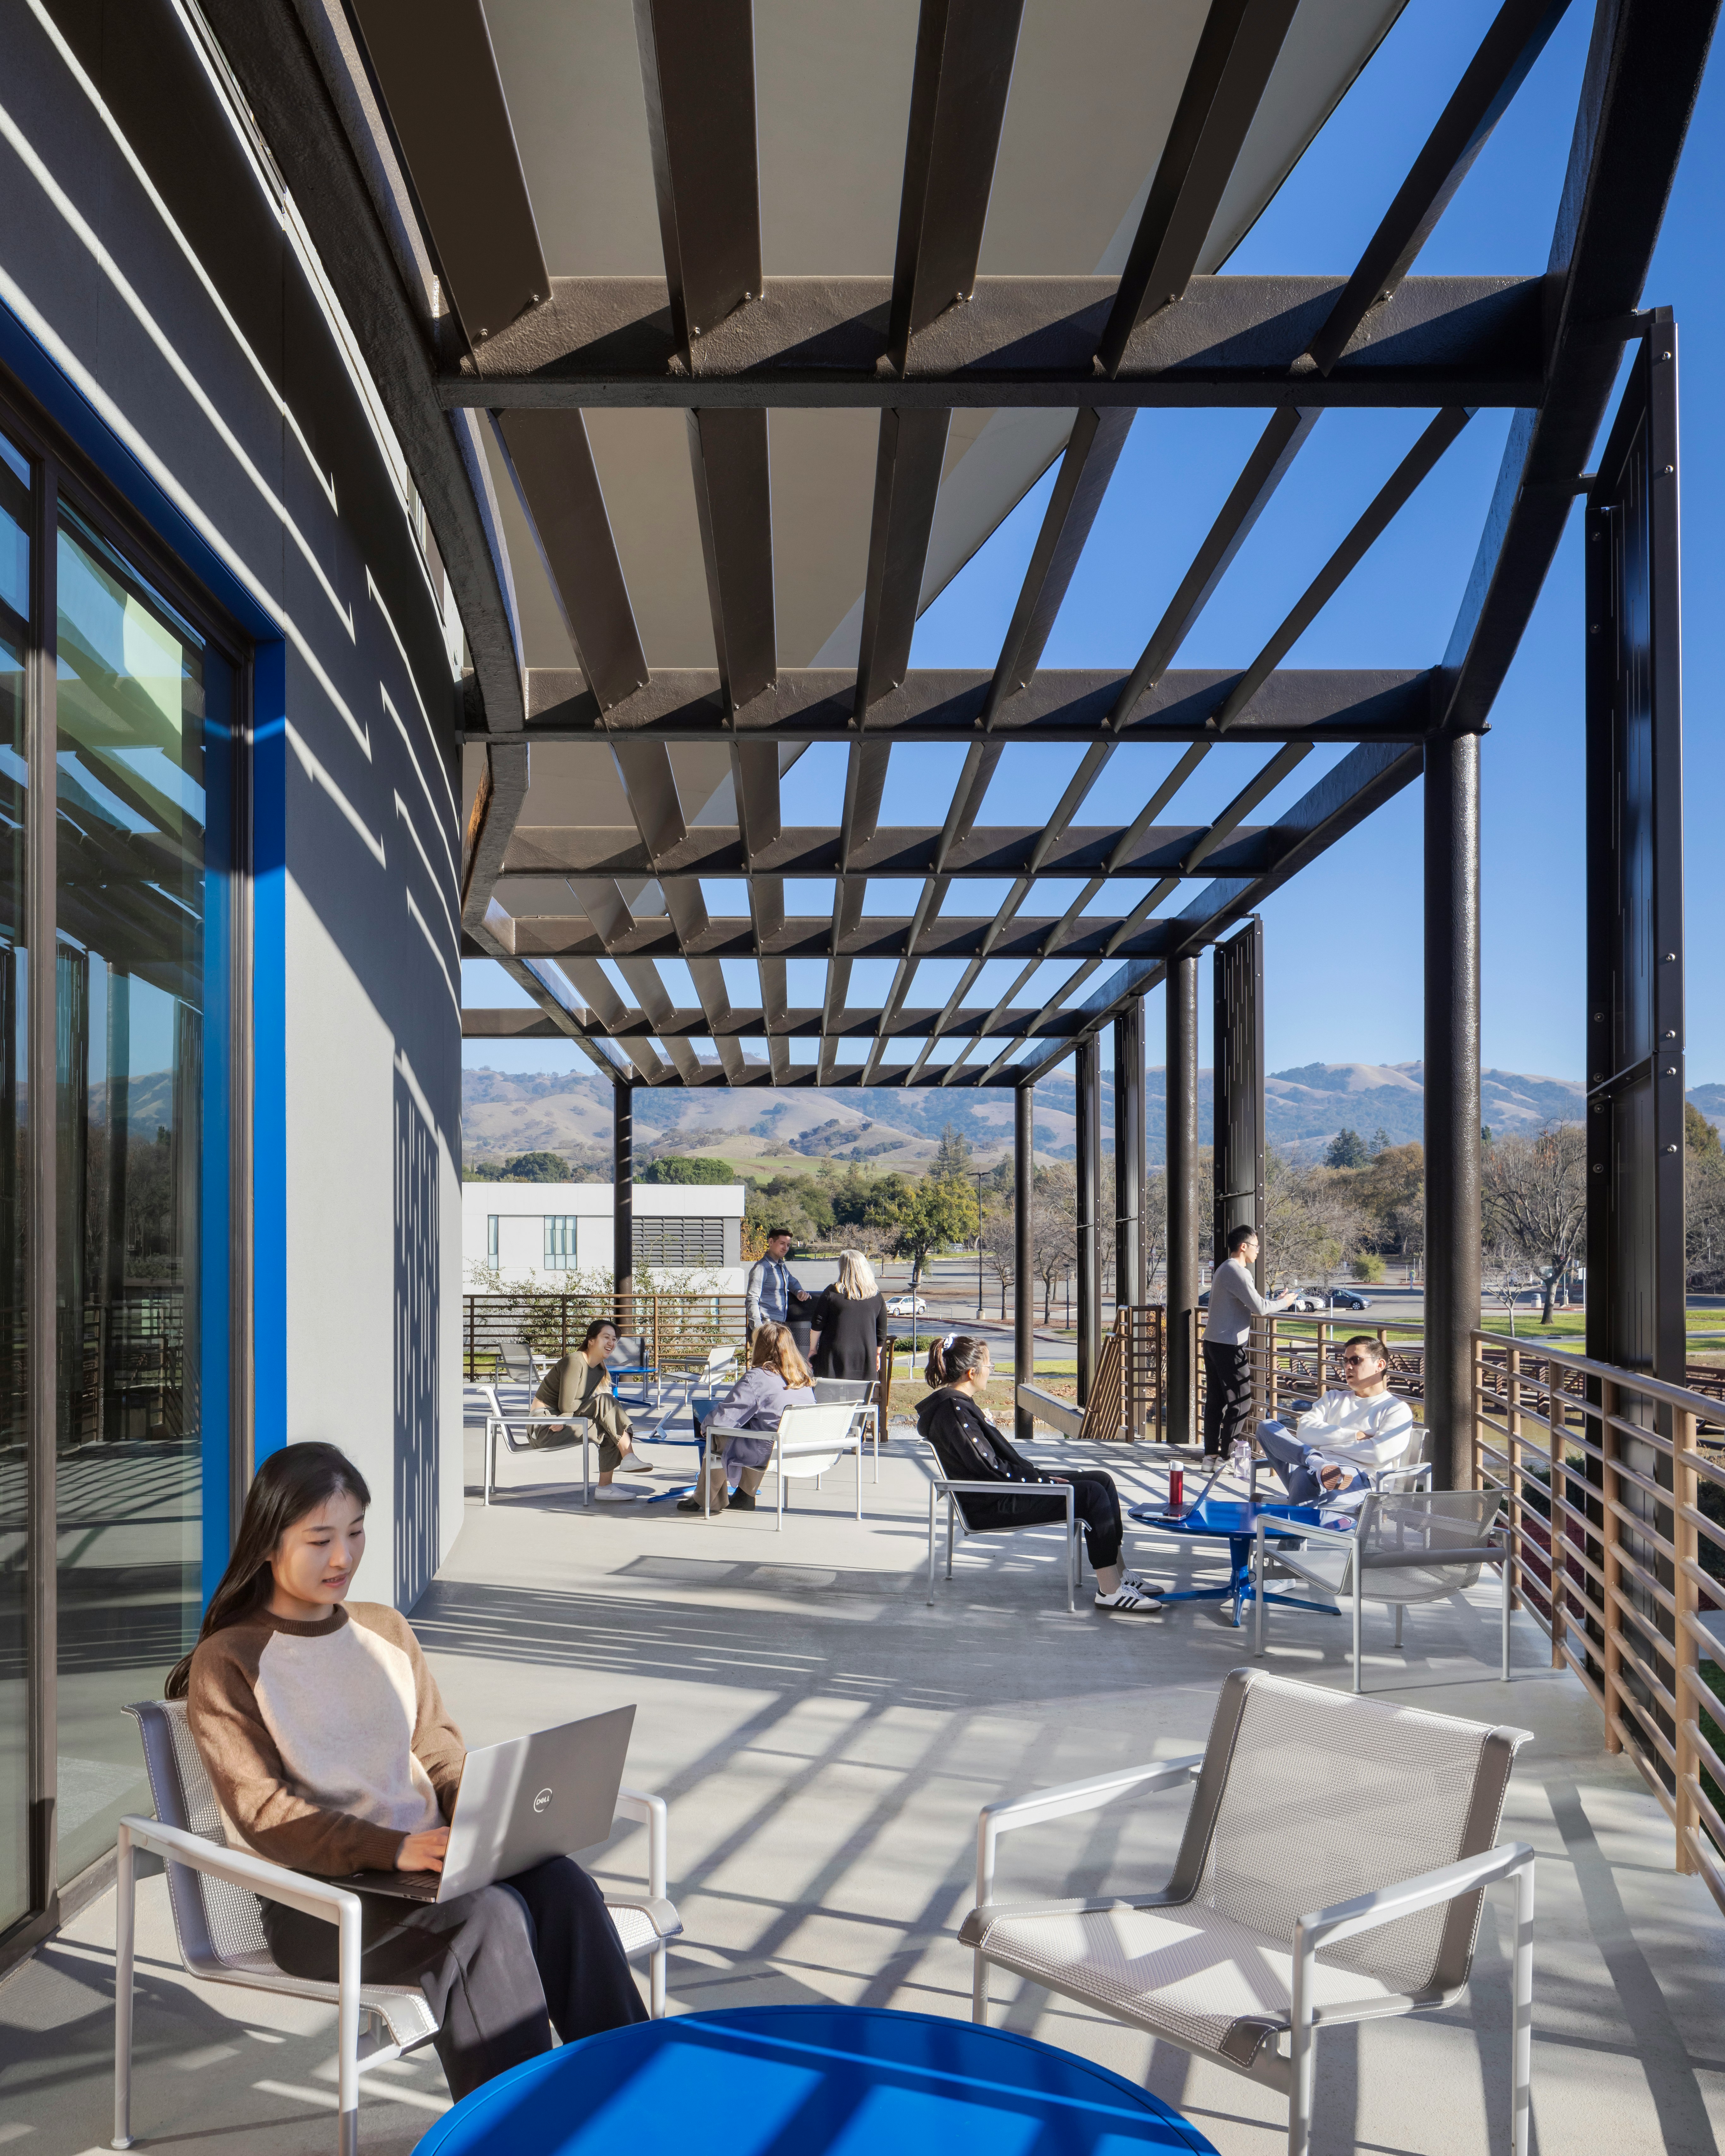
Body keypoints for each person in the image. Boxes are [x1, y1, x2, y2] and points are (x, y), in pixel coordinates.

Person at [170, 1443, 645, 2104]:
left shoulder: (385, 1630)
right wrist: (392, 1847)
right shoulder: (230, 1661)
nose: (343, 1557)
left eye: (356, 1532)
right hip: (320, 1904)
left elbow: (437, 1751)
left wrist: (485, 1809)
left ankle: (634, 2095)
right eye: (320, 1540)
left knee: (560, 1884)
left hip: (427, 1871)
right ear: (270, 1543)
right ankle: (519, 2130)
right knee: (486, 1918)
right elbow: (264, 1812)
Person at [915, 1336, 1162, 1615]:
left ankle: (1120, 1574)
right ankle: (1110, 1591)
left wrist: (1040, 1477)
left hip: (1003, 1491)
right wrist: (1042, 1480)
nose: (991, 1371)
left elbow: (989, 1465)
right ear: (972, 1373)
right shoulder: (954, 1410)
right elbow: (989, 1468)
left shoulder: (956, 1405)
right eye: (989, 1365)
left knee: (1101, 1479)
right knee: (1091, 1494)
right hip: (993, 1504)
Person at [1256, 1335, 1414, 1508]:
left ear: (1380, 1365)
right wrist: (1355, 1436)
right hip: (1312, 1466)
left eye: (1355, 1360)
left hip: (1358, 1482)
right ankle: (1317, 1463)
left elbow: (1378, 1453)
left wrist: (1323, 1446)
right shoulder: (1333, 1398)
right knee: (1267, 1427)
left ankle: (1316, 1466)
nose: (1348, 1367)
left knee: (1305, 1475)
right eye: (1345, 1361)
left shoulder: (1395, 1409)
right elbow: (1304, 1432)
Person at [678, 1320, 815, 1514]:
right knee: (757, 1428)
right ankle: (745, 1495)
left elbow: (723, 1419)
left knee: (718, 1435)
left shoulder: (757, 1377)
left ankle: (705, 1499)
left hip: (769, 1451)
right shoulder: (801, 1377)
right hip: (799, 1448)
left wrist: (705, 1425)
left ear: (761, 1347)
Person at [529, 1319, 654, 1503]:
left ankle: (605, 1488)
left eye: (614, 1339)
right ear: (591, 1341)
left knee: (611, 1429)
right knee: (606, 1401)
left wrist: (569, 1416)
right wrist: (567, 1415)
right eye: (606, 1337)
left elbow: (577, 1407)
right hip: (544, 1426)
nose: (611, 1342)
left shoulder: (599, 1370)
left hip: (565, 1421)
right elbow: (567, 1406)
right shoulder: (575, 1361)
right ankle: (629, 1457)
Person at [1202, 1224, 1298, 1458]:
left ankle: (1211, 1457)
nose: (1258, 1250)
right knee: (1242, 1402)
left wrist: (1275, 1300)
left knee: (1216, 1402)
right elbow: (1261, 1308)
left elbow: (1250, 1302)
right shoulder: (1237, 1270)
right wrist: (1285, 1303)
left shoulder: (1225, 1268)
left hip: (1214, 1342)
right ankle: (1225, 1457)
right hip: (1228, 1346)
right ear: (1244, 1247)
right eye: (1256, 1246)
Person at [809, 1249, 887, 1383]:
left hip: (833, 1358)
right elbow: (882, 1332)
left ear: (843, 1268)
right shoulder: (877, 1296)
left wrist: (813, 1349)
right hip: (865, 1358)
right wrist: (877, 1354)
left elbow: (817, 1325)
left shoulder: (832, 1292)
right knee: (862, 1394)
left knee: (831, 1394)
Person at [746, 1229, 810, 1336]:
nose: (786, 1248)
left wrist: (799, 1292)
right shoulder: (761, 1268)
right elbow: (752, 1299)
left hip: (777, 1327)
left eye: (788, 1245)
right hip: (766, 1326)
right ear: (771, 1242)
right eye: (782, 1244)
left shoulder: (781, 1266)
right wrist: (758, 1328)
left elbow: (793, 1282)